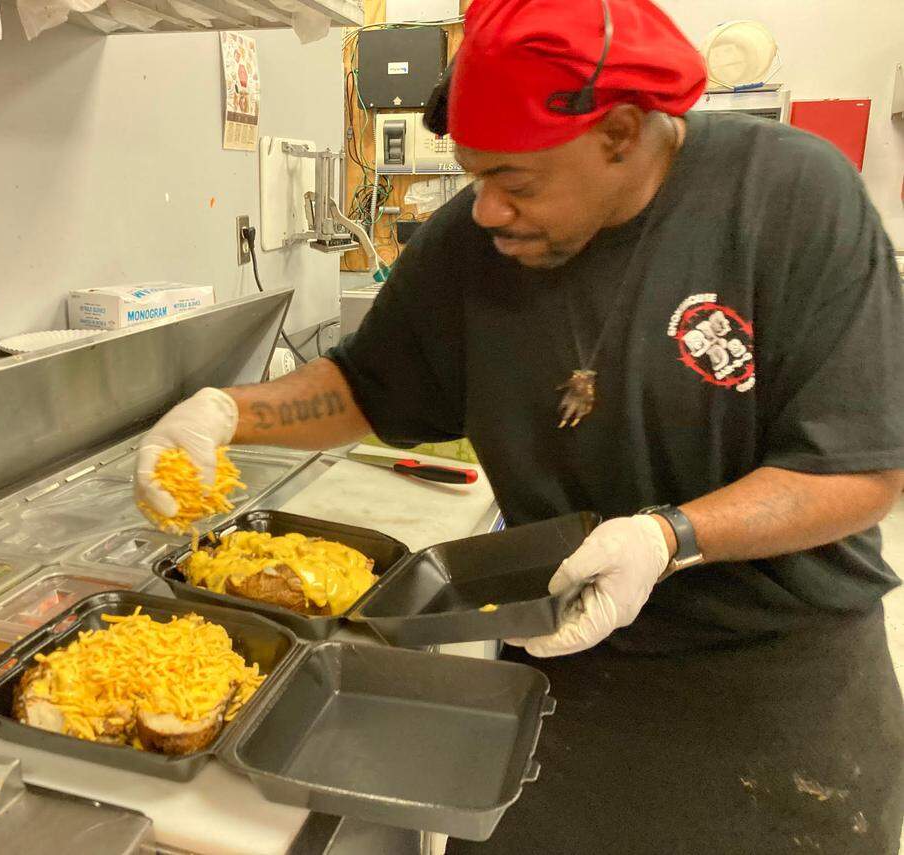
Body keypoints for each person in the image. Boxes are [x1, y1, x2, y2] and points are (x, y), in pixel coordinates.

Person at [136, 0, 904, 850]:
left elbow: (859, 470)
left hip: (776, 683)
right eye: (475, 177)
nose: (487, 210)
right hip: (565, 662)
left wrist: (667, 538)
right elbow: (369, 387)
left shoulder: (790, 198)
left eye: (515, 181)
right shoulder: (474, 244)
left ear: (619, 132)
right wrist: (224, 414)